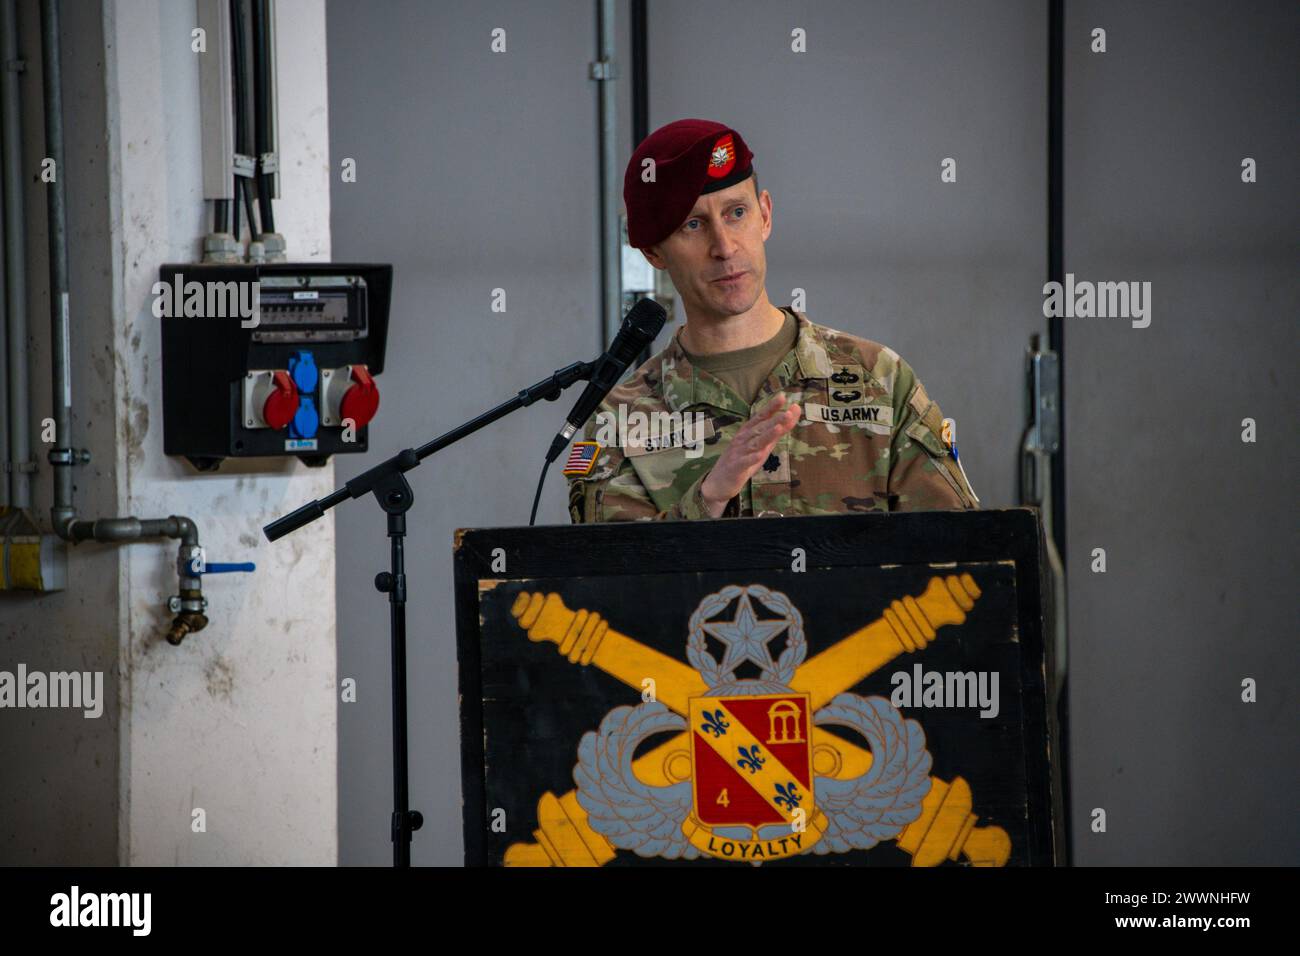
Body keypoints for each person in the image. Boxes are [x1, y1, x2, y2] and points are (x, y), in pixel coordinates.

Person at [566, 118, 978, 523]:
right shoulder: (622, 419)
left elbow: (962, 553)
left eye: (736, 212)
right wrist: (708, 499)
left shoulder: (880, 379)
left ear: (765, 214)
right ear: (654, 254)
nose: (724, 247)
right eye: (693, 225)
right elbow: (614, 580)